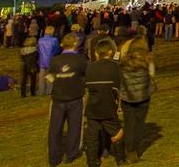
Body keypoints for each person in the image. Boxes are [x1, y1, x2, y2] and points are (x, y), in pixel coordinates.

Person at [48, 33, 88, 167]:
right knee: (75, 127)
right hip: (75, 97)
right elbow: (86, 75)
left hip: (58, 98)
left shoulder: (55, 60)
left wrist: (58, 80)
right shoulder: (81, 60)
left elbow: (49, 77)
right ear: (75, 44)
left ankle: (54, 158)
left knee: (55, 129)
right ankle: (71, 154)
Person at [84, 38, 126, 167]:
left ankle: (92, 162)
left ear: (97, 53)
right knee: (117, 133)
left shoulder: (90, 67)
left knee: (92, 138)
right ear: (110, 51)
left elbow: (88, 88)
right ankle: (120, 159)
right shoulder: (115, 67)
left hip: (92, 107)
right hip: (108, 106)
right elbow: (118, 88)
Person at [120, 36, 156, 163]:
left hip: (127, 96)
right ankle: (135, 149)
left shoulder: (125, 60)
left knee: (129, 124)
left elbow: (121, 77)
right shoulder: (148, 59)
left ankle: (129, 150)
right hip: (143, 96)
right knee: (140, 124)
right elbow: (152, 75)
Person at [38, 25, 60, 95]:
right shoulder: (54, 40)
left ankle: (41, 91)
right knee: (50, 76)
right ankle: (49, 91)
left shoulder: (40, 40)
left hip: (42, 61)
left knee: (41, 77)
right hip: (51, 60)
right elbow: (57, 50)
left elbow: (38, 50)